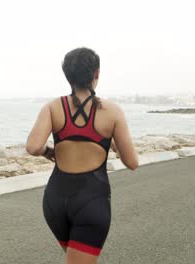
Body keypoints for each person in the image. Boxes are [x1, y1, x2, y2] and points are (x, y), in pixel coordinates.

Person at [26, 47, 138, 264]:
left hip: (55, 203)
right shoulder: (112, 111)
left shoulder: (52, 107)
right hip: (91, 203)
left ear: (67, 75)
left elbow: (33, 147)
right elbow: (132, 162)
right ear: (96, 74)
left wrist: (49, 151)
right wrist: (113, 145)